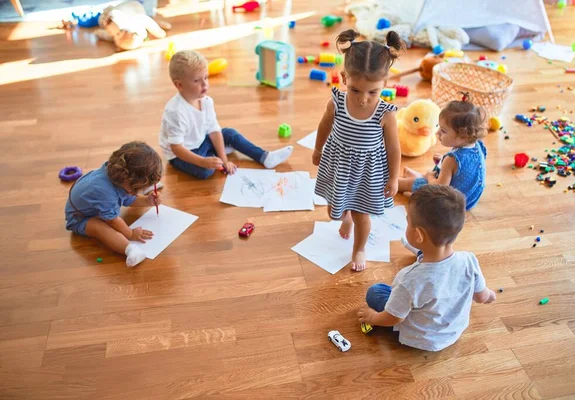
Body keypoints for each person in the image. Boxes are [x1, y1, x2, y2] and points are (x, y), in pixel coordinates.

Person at [357, 185, 496, 352]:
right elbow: (481, 297)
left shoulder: (409, 279)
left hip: (421, 338)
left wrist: (374, 318)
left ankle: (422, 256)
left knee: (375, 292)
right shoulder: (469, 260)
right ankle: (424, 254)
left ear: (418, 235)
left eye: (408, 222)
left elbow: (394, 317)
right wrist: (490, 295)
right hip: (453, 331)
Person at [312, 29, 404, 272]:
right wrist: (317, 149)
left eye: (372, 92)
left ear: (385, 83)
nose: (363, 99)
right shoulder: (336, 103)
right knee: (334, 211)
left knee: (362, 214)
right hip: (339, 167)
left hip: (368, 173)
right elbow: (325, 125)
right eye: (355, 90)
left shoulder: (385, 114)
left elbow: (394, 148)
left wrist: (394, 178)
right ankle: (347, 218)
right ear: (344, 78)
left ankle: (359, 247)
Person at [160, 50, 293, 179]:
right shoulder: (175, 112)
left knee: (229, 133)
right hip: (181, 153)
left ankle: (265, 157)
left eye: (206, 77)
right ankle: (213, 154)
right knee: (206, 171)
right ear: (179, 85)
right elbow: (176, 148)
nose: (205, 84)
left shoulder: (206, 101)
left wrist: (224, 160)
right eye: (196, 81)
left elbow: (214, 130)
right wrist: (203, 162)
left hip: (201, 140)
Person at [65, 141, 162, 267]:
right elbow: (112, 221)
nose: (136, 193)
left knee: (123, 199)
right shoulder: (104, 191)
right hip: (79, 218)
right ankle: (130, 250)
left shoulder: (117, 178)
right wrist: (130, 233)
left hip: (95, 206)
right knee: (99, 228)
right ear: (126, 179)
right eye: (136, 189)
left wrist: (147, 201)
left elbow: (129, 199)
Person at [398, 92, 487, 211]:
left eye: (443, 131)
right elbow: (466, 169)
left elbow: (439, 188)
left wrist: (430, 177)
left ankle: (396, 183)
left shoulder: (451, 160)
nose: (437, 132)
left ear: (463, 135)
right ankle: (420, 177)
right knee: (433, 173)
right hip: (469, 198)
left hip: (450, 203)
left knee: (412, 183)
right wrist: (445, 164)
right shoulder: (476, 145)